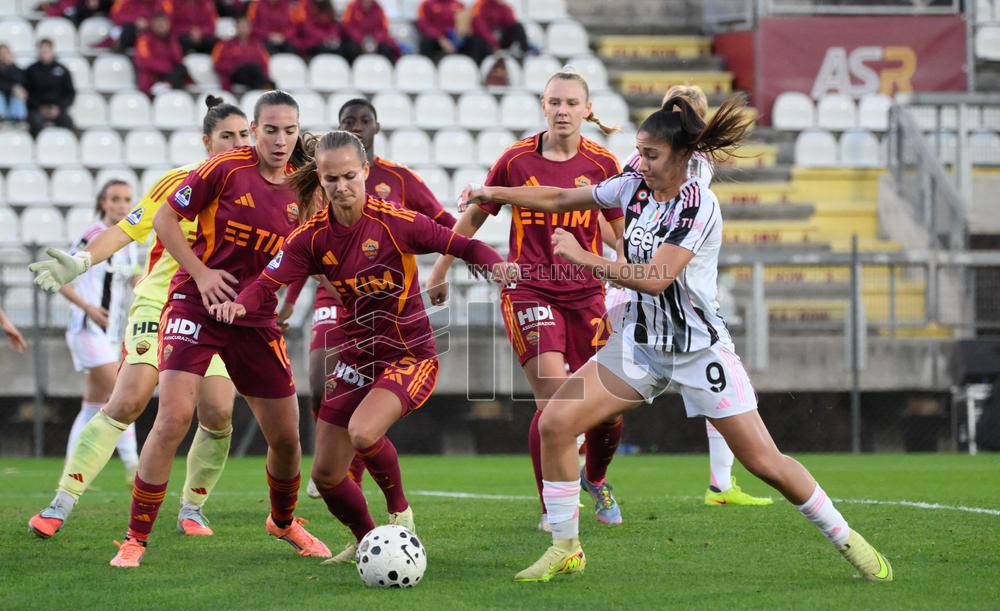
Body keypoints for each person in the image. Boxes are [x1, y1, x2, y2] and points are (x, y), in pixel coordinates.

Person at [460, 93, 894, 584]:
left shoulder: (698, 205)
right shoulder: (634, 187)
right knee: (556, 421)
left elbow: (655, 278)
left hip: (697, 351)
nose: (638, 163)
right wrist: (492, 194)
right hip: (640, 347)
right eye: (638, 152)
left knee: (764, 463)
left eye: (650, 155)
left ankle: (847, 538)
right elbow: (561, 198)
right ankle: (565, 547)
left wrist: (584, 260)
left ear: (682, 156)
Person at [211, 130, 515, 564]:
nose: (341, 187)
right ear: (319, 178)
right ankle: (371, 542)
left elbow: (462, 243)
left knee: (364, 432)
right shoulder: (311, 236)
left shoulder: (396, 222)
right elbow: (267, 282)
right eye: (331, 179)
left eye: (350, 176)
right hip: (357, 356)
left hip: (410, 354)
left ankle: (401, 516)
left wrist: (496, 264)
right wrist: (238, 308)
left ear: (366, 172)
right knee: (328, 475)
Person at [105, 90, 327, 568]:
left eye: (290, 130)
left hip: (256, 317)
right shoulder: (223, 168)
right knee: (173, 418)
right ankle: (135, 539)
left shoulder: (306, 186)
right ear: (254, 129)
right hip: (196, 304)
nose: (280, 139)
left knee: (288, 438)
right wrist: (203, 274)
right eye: (270, 129)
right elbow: (165, 219)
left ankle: (284, 522)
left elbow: (309, 252)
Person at [27, 96, 252, 540]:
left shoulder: (260, 190)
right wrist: (81, 261)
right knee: (128, 401)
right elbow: (126, 229)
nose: (237, 143)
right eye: (227, 136)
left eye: (244, 135)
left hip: (219, 314)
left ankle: (193, 508)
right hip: (162, 305)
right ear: (207, 142)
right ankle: (61, 503)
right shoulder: (179, 183)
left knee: (219, 412)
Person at [427, 68, 625, 532]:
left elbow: (618, 231)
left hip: (587, 293)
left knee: (609, 407)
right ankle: (552, 507)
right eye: (554, 101)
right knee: (555, 402)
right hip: (529, 288)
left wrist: (631, 264)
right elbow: (476, 214)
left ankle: (594, 477)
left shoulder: (603, 164)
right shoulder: (516, 159)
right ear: (543, 105)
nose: (562, 110)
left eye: (571, 103)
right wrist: (441, 268)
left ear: (587, 110)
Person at [283, 98, 455, 507]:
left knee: (368, 394)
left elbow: (447, 226)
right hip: (334, 292)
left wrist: (440, 270)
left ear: (376, 127)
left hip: (388, 303)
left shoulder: (399, 179)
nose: (357, 127)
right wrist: (289, 300)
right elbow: (304, 247)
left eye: (364, 121)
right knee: (320, 379)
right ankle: (335, 458)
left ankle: (353, 473)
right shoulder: (326, 182)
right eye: (348, 122)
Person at [615, 84, 772, 508]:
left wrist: (621, 255)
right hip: (671, 297)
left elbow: (625, 205)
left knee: (589, 392)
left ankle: (720, 483)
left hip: (645, 284)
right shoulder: (691, 165)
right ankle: (720, 484)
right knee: (721, 387)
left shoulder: (642, 159)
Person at [56, 180, 141, 488]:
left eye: (127, 199)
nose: (121, 205)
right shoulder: (93, 236)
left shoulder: (129, 242)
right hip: (87, 329)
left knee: (93, 405)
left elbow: (135, 281)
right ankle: (135, 466)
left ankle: (69, 471)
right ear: (103, 203)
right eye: (115, 199)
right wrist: (89, 307)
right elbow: (61, 276)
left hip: (114, 333)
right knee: (124, 395)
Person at [23, 39, 75, 137]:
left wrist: (59, 107)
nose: (44, 53)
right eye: (42, 50)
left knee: (67, 123)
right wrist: (39, 108)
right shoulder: (31, 70)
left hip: (58, 109)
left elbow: (70, 93)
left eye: (47, 50)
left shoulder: (62, 70)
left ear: (52, 51)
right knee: (35, 123)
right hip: (37, 109)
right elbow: (27, 93)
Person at [212, 16, 274, 92]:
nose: (243, 29)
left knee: (253, 70)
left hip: (253, 75)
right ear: (236, 28)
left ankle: (261, 88)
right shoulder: (225, 45)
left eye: (245, 26)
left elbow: (264, 63)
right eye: (241, 26)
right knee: (252, 68)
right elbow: (217, 63)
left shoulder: (257, 45)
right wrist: (234, 67)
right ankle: (267, 86)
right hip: (234, 75)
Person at [134, 13, 190, 95]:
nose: (161, 25)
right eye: (159, 23)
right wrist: (166, 67)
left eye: (164, 23)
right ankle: (161, 87)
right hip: (152, 76)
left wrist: (170, 40)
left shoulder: (172, 39)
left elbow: (177, 59)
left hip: (168, 75)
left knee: (182, 69)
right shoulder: (144, 39)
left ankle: (165, 86)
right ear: (152, 24)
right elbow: (143, 61)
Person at [464, 0, 533, 64]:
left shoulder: (504, 7)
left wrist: (502, 6)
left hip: (500, 41)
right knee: (477, 41)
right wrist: (494, 44)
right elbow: (481, 28)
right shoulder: (479, 6)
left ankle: (526, 55)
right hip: (487, 44)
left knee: (518, 27)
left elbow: (511, 23)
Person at [0, 44, 28, 123]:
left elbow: (19, 81)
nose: (3, 56)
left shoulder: (16, 70)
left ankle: (18, 120)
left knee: (19, 94)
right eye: (1, 53)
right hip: (3, 101)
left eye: (5, 53)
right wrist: (12, 88)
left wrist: (11, 65)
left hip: (12, 99)